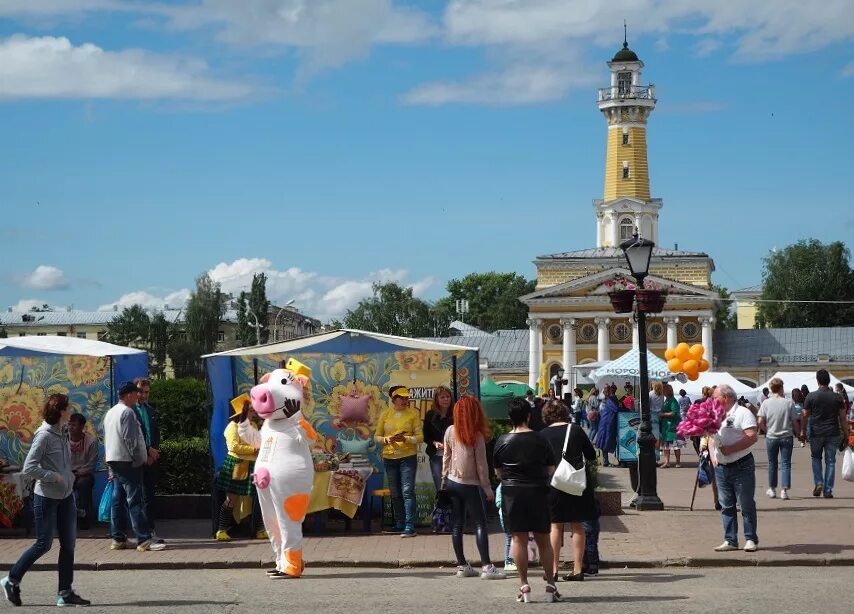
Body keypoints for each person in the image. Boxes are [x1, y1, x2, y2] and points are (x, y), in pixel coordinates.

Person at [1, 394, 91, 607]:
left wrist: (67, 477)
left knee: (68, 545)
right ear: (61, 411)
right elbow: (29, 467)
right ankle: (11, 580)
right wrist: (54, 476)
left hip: (66, 497)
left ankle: (65, 593)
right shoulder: (44, 436)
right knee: (44, 544)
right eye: (68, 408)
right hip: (46, 498)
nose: (71, 411)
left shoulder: (63, 432)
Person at [493, 398, 558, 603]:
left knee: (518, 539)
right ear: (529, 416)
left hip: (512, 493)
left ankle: (524, 585)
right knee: (544, 541)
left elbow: (498, 472)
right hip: (538, 490)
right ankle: (550, 586)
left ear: (509, 418)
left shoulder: (502, 441)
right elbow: (550, 468)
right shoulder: (540, 439)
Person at [440, 396, 504, 579]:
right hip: (471, 484)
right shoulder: (477, 435)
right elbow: (482, 466)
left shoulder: (450, 431)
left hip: (452, 481)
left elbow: (446, 456)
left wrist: (444, 479)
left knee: (457, 524)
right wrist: (487, 488)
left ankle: (462, 565)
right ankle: (487, 566)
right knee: (479, 523)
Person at [104, 381, 165, 552]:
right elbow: (131, 441)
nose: (138, 396)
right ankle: (144, 540)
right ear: (129, 394)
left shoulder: (111, 412)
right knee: (135, 500)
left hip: (113, 459)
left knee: (118, 499)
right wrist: (141, 459)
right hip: (126, 461)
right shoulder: (128, 412)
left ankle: (118, 538)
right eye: (135, 393)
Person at [540, 400, 596, 583]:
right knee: (577, 525)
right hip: (575, 483)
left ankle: (553, 569)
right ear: (564, 413)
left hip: (553, 484)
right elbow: (591, 455)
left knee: (555, 526)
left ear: (546, 415)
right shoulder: (576, 430)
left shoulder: (542, 435)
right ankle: (577, 569)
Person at [712, 384, 759, 553]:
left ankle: (750, 538)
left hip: (741, 465)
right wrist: (713, 456)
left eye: (715, 397)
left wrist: (730, 449)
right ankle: (730, 539)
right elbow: (711, 437)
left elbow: (752, 437)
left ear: (726, 397)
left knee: (745, 503)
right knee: (726, 505)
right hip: (721, 467)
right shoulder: (715, 415)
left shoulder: (743, 413)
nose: (713, 400)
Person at [374, 385, 423, 537]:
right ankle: (400, 523)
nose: (404, 400)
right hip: (389, 457)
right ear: (394, 399)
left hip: (407, 457)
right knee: (395, 493)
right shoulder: (385, 414)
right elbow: (376, 437)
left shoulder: (413, 414)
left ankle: (410, 526)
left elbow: (420, 437)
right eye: (401, 397)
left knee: (407, 491)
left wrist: (406, 438)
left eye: (406, 397)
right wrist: (386, 439)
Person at [215, 399, 265, 541]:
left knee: (258, 498)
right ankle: (221, 530)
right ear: (241, 412)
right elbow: (233, 447)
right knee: (231, 499)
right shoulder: (232, 427)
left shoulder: (253, 425)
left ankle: (259, 530)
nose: (253, 412)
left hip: (253, 465)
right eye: (250, 410)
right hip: (236, 465)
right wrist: (253, 449)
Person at [802, 369, 850, 499]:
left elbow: (805, 415)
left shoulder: (811, 396)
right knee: (831, 461)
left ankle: (818, 482)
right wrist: (846, 434)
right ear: (828, 380)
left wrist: (802, 430)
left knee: (816, 458)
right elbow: (843, 418)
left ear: (817, 381)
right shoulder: (837, 397)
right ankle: (828, 490)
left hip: (816, 432)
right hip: (832, 432)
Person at [757, 378, 800, 500]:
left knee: (772, 463)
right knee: (786, 463)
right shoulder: (788, 403)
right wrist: (798, 434)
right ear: (781, 387)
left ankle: (772, 489)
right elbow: (794, 421)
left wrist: (766, 430)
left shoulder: (766, 403)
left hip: (771, 436)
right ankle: (784, 490)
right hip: (786, 436)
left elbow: (760, 422)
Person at [133, 377, 163, 544]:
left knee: (149, 497)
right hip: (137, 460)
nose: (143, 395)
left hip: (151, 459)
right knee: (137, 497)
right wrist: (145, 452)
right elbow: (134, 437)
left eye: (146, 392)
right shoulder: (131, 411)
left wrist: (154, 453)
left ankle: (150, 530)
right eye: (140, 391)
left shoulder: (150, 410)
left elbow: (155, 433)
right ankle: (140, 533)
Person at [68, 413, 98, 530]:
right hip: (67, 473)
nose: (71, 427)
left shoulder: (91, 441)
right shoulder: (63, 440)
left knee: (84, 484)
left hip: (83, 474)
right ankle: (61, 519)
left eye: (74, 425)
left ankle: (84, 519)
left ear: (82, 427)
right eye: (69, 425)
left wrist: (78, 473)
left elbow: (91, 464)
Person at [424, 385, 454, 492]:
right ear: (437, 399)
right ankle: (443, 508)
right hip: (436, 456)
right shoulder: (430, 415)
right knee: (440, 488)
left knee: (452, 487)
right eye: (442, 397)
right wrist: (434, 443)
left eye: (447, 396)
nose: (446, 399)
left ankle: (454, 509)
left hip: (453, 457)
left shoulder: (455, 414)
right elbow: (426, 436)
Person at [593, 385, 620, 467]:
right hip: (606, 424)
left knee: (606, 442)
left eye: (609, 390)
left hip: (607, 423)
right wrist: (626, 410)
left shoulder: (608, 399)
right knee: (605, 442)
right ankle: (606, 461)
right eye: (606, 390)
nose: (607, 392)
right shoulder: (609, 399)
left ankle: (606, 461)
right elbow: (616, 409)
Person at [659, 384, 683, 468]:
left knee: (676, 445)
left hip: (672, 426)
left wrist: (662, 414)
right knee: (666, 445)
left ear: (668, 391)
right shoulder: (666, 400)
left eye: (664, 390)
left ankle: (678, 462)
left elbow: (674, 413)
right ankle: (667, 462)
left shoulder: (673, 400)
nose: (663, 391)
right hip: (666, 427)